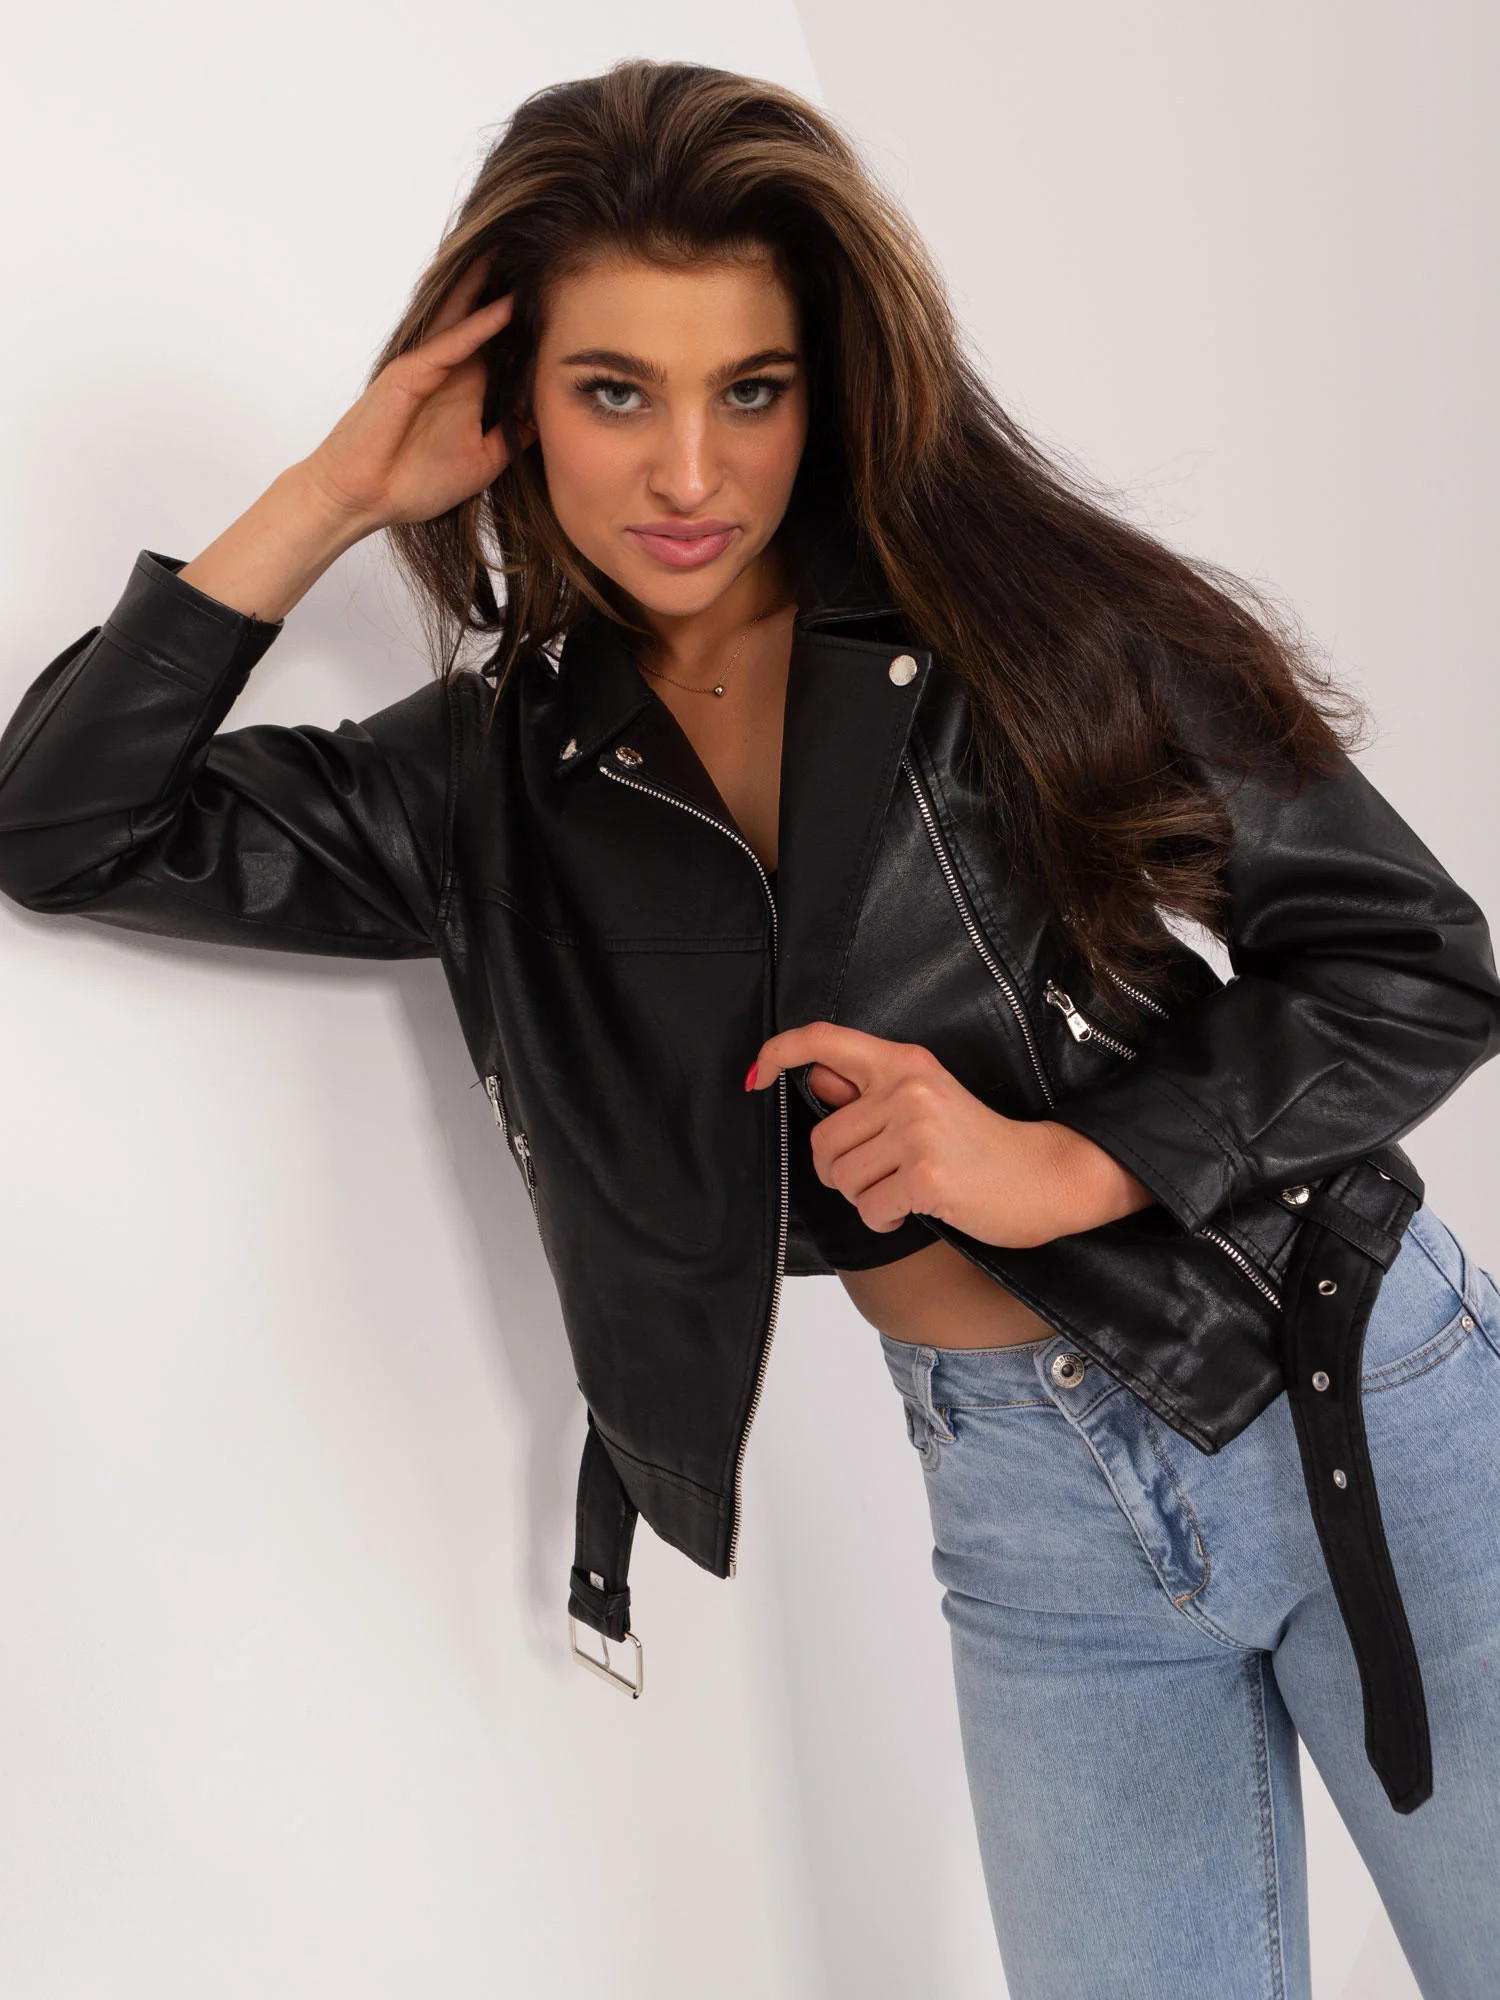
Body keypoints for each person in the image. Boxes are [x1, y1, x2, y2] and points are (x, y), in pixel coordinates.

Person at [2, 57, 1498, 2000]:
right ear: (511, 399)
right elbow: (63, 827)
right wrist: (331, 495)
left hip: (1346, 1390)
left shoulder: (1027, 625)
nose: (691, 475)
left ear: (828, 388)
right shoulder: (492, 780)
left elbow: (1410, 958)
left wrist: (1064, 1162)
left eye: (753, 390)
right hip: (1019, 1503)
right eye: (616, 391)